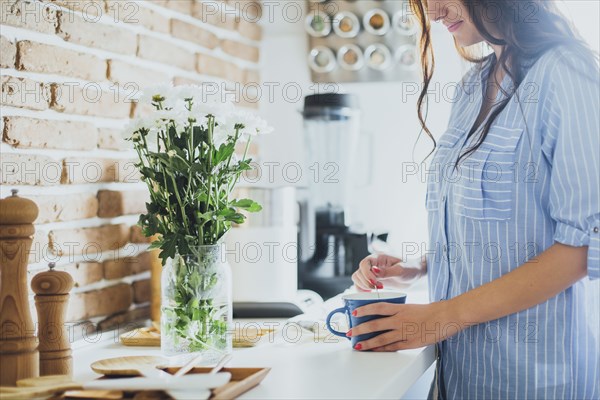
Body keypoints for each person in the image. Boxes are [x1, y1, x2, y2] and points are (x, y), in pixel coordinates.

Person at [350, 0, 599, 398]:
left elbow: (582, 247)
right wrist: (418, 267)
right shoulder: (472, 85)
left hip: (536, 379)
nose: (432, 12)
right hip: (463, 375)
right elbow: (503, 228)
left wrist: (439, 317)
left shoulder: (566, 72)